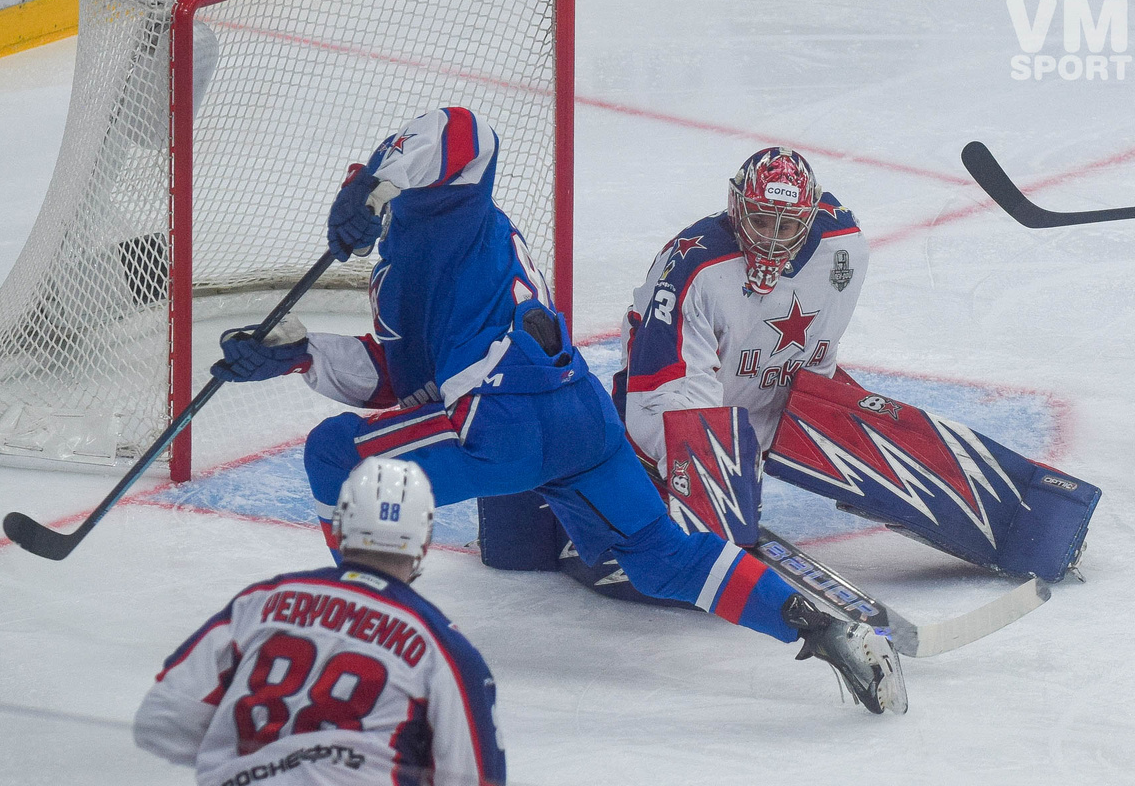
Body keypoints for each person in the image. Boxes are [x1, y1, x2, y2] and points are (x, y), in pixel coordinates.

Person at [209, 108, 905, 714]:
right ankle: (820, 628)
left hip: (501, 427)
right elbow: (399, 379)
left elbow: (463, 130)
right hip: (579, 422)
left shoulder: (445, 210)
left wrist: (372, 181)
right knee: (663, 559)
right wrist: (300, 355)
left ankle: (366, 645)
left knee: (334, 454)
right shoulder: (399, 277)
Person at [133, 457, 506, 786]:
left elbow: (163, 721)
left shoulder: (262, 601)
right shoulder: (442, 646)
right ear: (424, 540)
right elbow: (474, 778)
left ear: (339, 525)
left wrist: (251, 766)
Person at [613, 145, 868, 473]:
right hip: (665, 401)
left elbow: (821, 348)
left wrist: (820, 398)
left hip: (759, 385)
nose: (770, 240)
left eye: (785, 226)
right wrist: (707, 464)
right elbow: (668, 389)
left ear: (807, 221)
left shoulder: (843, 245)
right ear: (737, 209)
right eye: (760, 221)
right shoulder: (694, 267)